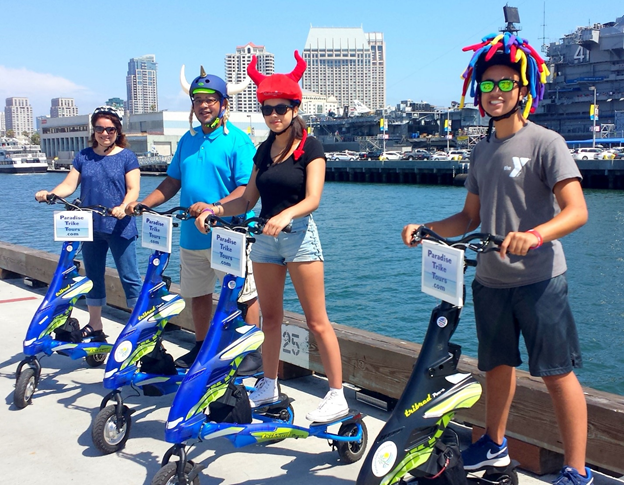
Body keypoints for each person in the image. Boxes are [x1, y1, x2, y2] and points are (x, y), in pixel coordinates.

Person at [401, 32, 591, 485]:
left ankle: (577, 470)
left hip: (541, 280)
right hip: (489, 279)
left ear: (523, 90)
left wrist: (536, 235)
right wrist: (426, 230)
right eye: (487, 86)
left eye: (506, 84)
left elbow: (577, 210)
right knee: (496, 367)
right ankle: (494, 444)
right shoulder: (481, 149)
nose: (496, 93)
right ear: (477, 93)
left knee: (557, 373)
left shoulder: (547, 142)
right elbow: (469, 216)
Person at [195, 51, 349, 423]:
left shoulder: (309, 147)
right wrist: (214, 209)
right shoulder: (263, 150)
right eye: (267, 109)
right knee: (271, 317)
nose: (274, 115)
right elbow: (248, 199)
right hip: (264, 240)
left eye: (281, 108)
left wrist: (285, 215)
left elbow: (313, 199)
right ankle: (269, 382)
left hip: (298, 237)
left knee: (317, 321)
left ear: (295, 107)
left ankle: (337, 394)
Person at [126, 67, 260, 370]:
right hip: (190, 234)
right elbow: (172, 181)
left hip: (229, 233)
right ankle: (200, 347)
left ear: (224, 103)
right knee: (197, 294)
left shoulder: (239, 140)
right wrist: (144, 204)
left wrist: (214, 206)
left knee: (244, 296)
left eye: (211, 99)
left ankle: (252, 351)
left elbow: (245, 187)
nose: (203, 105)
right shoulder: (188, 139)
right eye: (197, 100)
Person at [35, 106, 142, 338]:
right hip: (90, 225)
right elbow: (69, 185)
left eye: (110, 129)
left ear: (118, 130)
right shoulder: (84, 156)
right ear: (93, 130)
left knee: (130, 277)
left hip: (119, 225)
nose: (105, 133)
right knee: (93, 276)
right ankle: (95, 325)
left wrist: (124, 207)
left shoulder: (127, 156)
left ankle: (138, 328)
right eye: (100, 129)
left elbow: (134, 189)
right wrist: (51, 193)